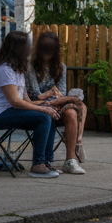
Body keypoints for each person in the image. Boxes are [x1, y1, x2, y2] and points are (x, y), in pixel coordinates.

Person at [0, 31, 60, 179]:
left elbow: (26, 101)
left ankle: (46, 161)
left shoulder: (18, 69)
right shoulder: (4, 69)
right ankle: (38, 164)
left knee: (50, 115)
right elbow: (15, 101)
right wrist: (42, 109)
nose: (30, 49)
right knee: (43, 117)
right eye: (27, 46)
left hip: (10, 111)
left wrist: (46, 105)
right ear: (18, 49)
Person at [26, 32, 87, 175]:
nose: (47, 56)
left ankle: (70, 160)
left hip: (55, 104)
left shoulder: (61, 67)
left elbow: (62, 92)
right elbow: (34, 93)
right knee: (50, 114)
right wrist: (50, 97)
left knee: (72, 113)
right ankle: (46, 160)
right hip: (35, 105)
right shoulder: (30, 66)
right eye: (44, 52)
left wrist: (53, 101)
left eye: (50, 52)